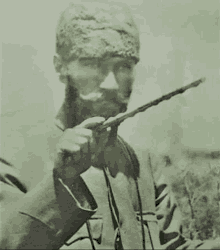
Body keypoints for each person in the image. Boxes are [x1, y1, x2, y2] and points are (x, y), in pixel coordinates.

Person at [0, 2, 220, 249]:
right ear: (60, 67)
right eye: (94, 64)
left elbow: (171, 246)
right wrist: (61, 182)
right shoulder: (15, 161)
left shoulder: (143, 166)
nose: (112, 85)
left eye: (124, 66)